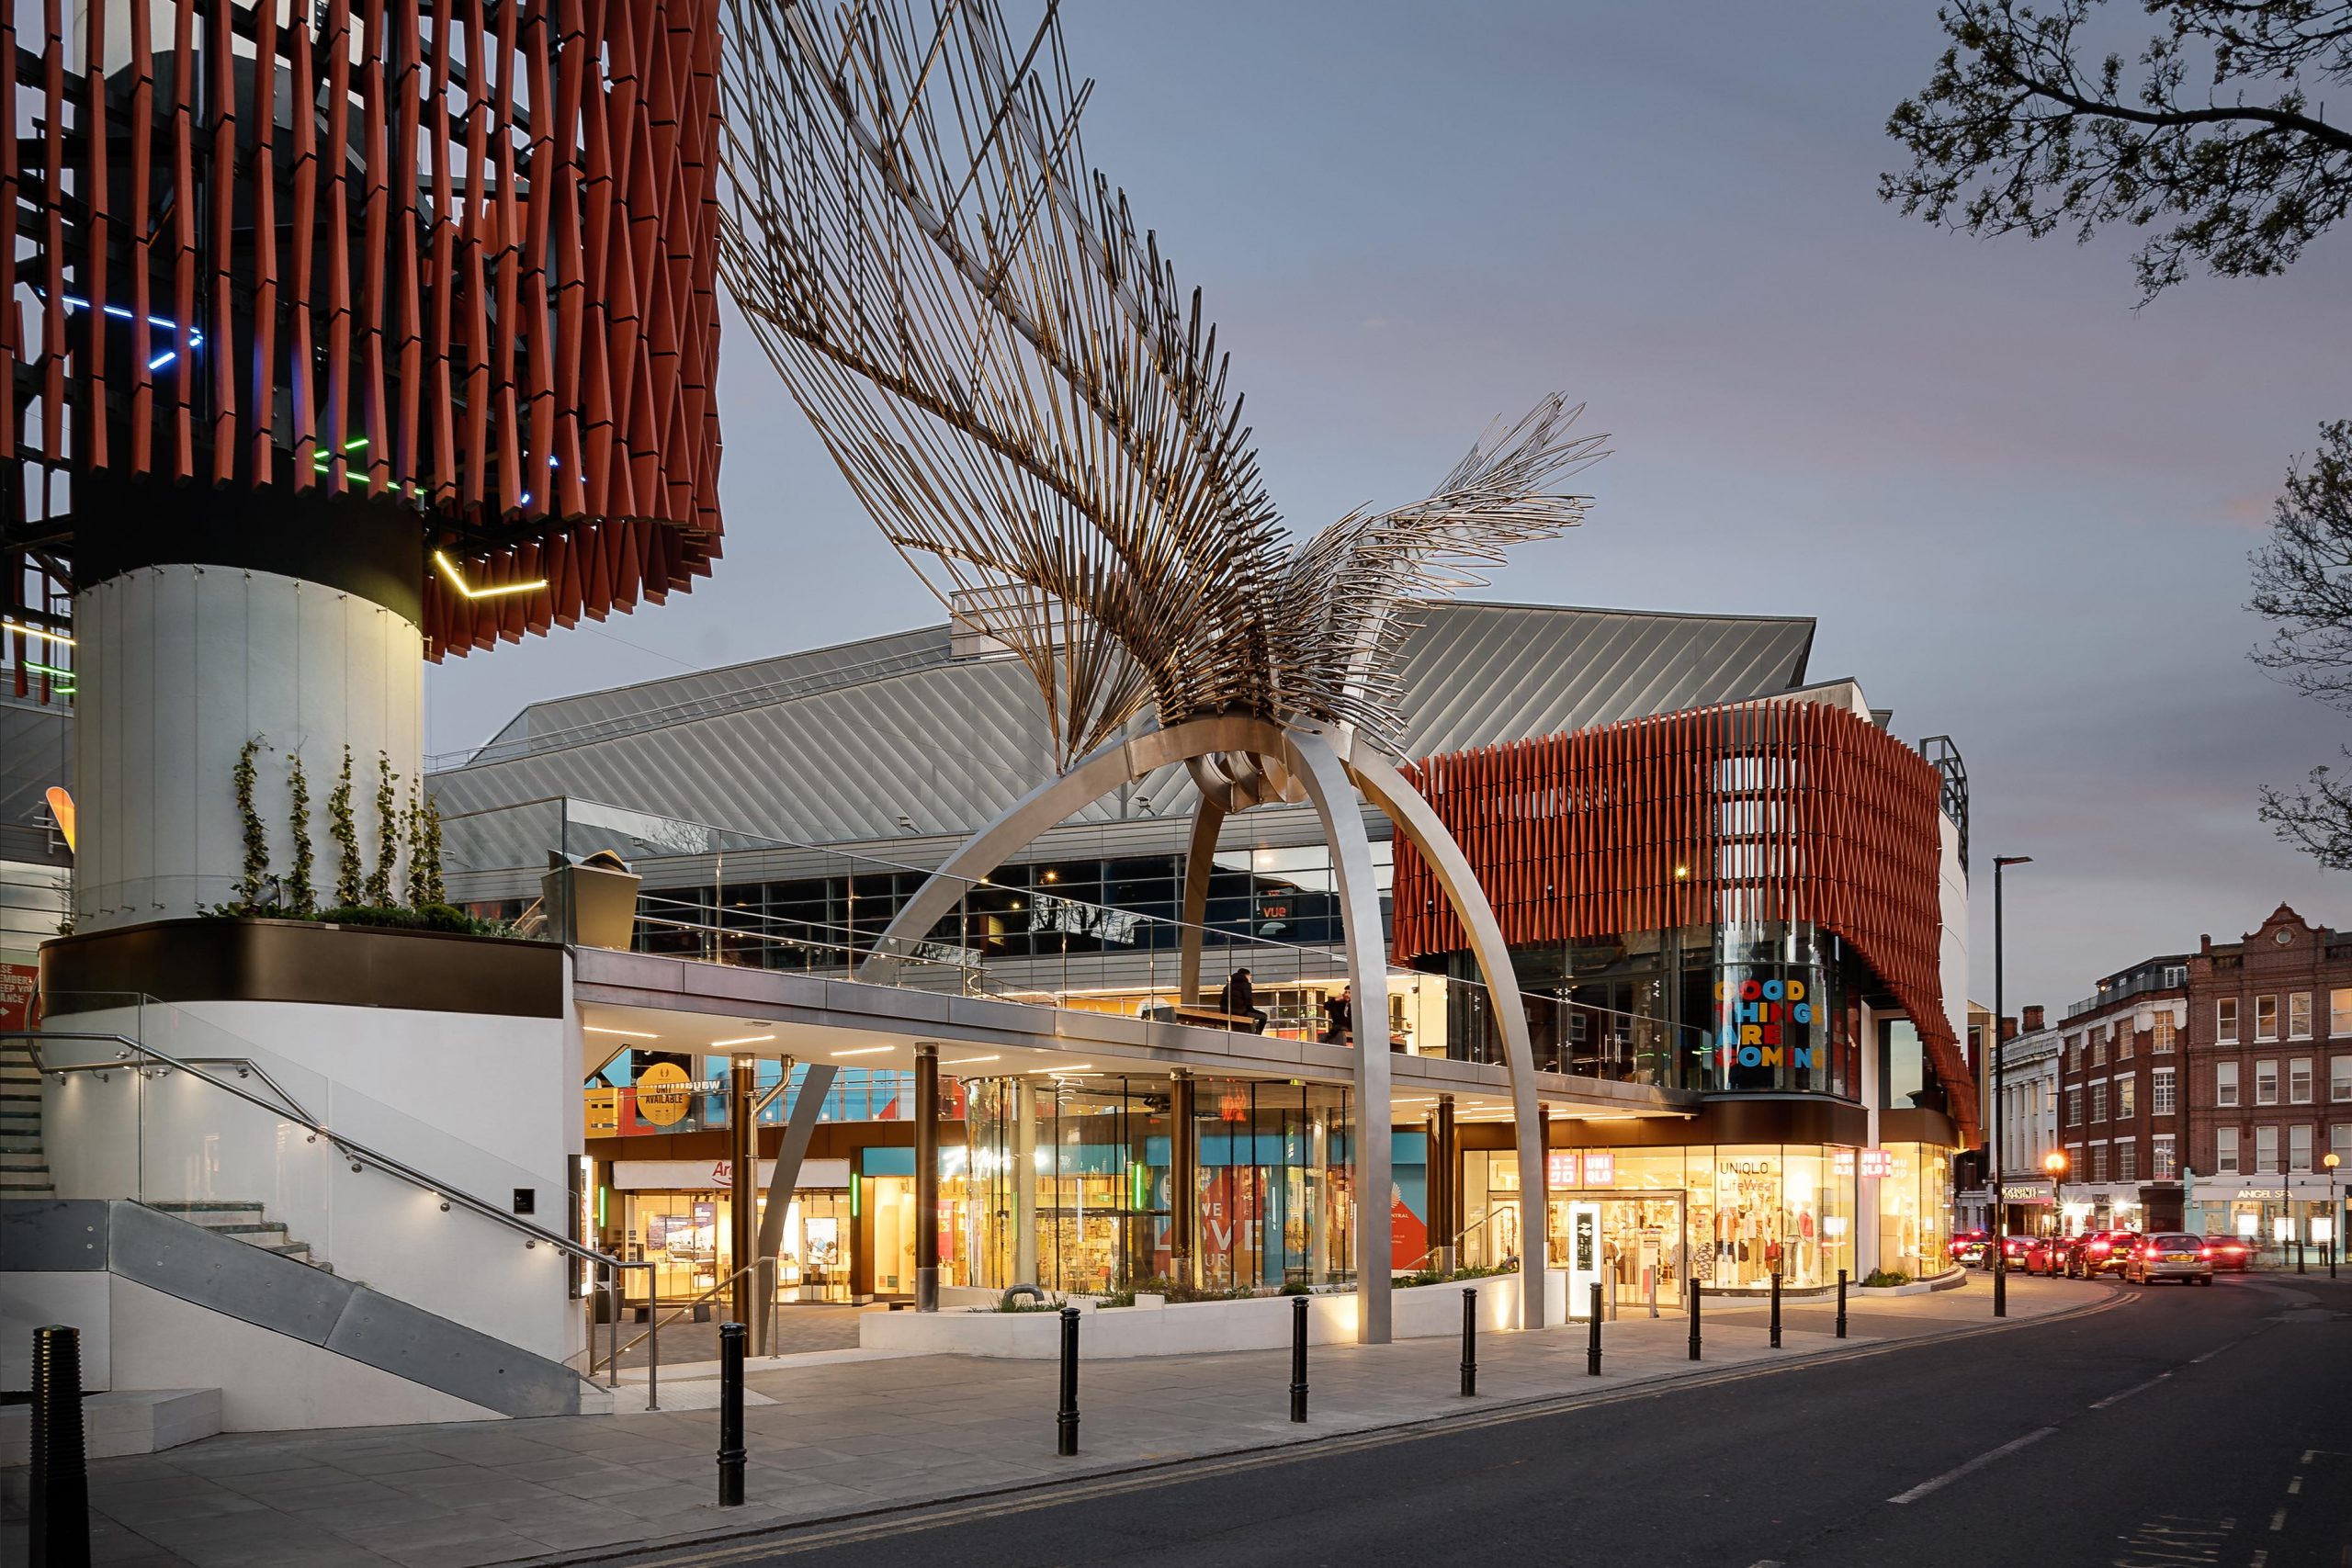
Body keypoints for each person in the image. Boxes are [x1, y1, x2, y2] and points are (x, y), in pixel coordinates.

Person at [1218, 967, 1269, 1033]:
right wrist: (1251, 1010)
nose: (1250, 978)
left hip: (1225, 1011)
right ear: (1246, 975)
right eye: (1250, 976)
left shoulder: (1229, 984)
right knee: (1263, 1016)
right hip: (1239, 1012)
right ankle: (1258, 1034)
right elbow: (1248, 1000)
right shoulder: (1245, 984)